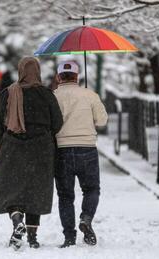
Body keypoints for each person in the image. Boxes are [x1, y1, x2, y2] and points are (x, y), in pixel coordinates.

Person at [0, 57, 63, 250]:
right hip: (41, 149)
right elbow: (58, 123)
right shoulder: (47, 95)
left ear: (20, 71)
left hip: (11, 147)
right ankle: (32, 236)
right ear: (37, 71)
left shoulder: (9, 93)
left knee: (11, 187)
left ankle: (16, 220)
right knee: (36, 189)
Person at [54, 60, 108, 248]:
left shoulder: (53, 96)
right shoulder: (90, 95)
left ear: (58, 76)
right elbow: (102, 121)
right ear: (77, 76)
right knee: (91, 189)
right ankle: (86, 218)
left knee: (65, 195)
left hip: (61, 151)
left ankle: (69, 236)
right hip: (87, 149)